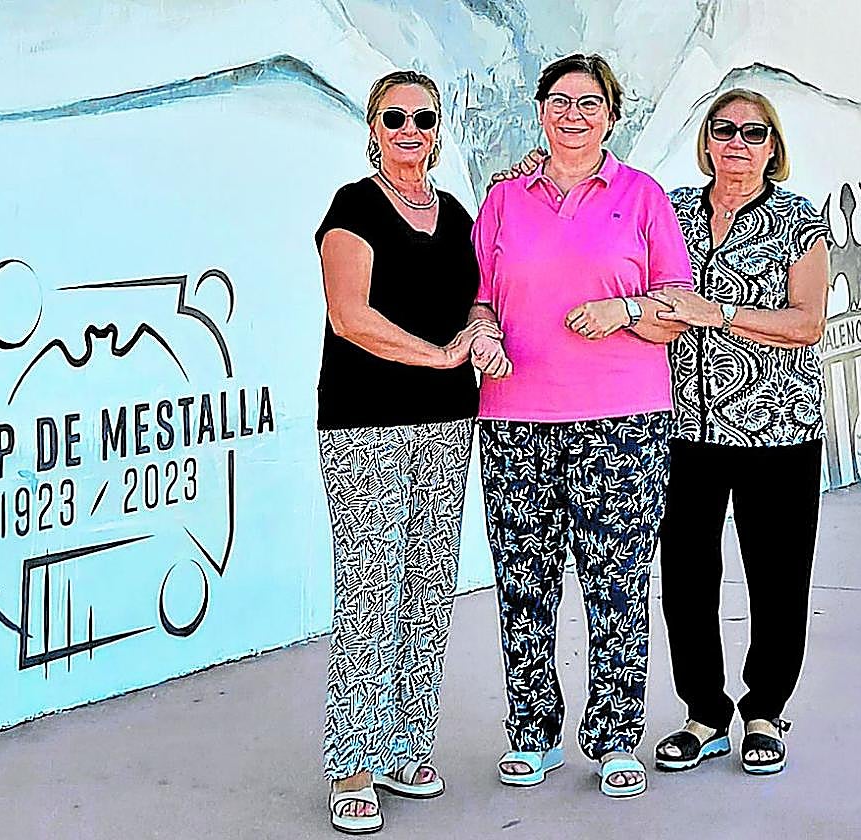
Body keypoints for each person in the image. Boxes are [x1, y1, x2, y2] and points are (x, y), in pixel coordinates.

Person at [468, 53, 692, 799]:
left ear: (611, 115)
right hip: (514, 421)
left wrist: (623, 312)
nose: (573, 115)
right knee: (523, 583)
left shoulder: (644, 198)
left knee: (617, 582)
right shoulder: (504, 200)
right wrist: (485, 334)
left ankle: (616, 736)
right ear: (539, 112)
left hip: (622, 423)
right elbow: (479, 299)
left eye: (589, 102)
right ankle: (533, 735)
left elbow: (675, 313)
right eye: (559, 101)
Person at [314, 69, 501, 834]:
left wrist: (479, 337)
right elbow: (350, 317)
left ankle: (404, 741)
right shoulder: (352, 209)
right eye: (395, 118)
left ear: (439, 127)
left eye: (423, 117)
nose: (410, 131)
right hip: (366, 425)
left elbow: (480, 303)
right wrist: (440, 356)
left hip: (449, 424)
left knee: (427, 581)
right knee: (369, 587)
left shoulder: (456, 214)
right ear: (373, 125)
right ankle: (351, 763)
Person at [649, 88, 831, 776]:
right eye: (724, 129)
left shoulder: (796, 220)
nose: (737, 143)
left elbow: (807, 322)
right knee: (686, 576)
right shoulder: (672, 211)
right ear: (707, 140)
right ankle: (703, 713)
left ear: (772, 146)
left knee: (778, 578)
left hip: (777, 430)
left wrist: (716, 311)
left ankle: (764, 712)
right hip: (683, 429)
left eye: (753, 133)